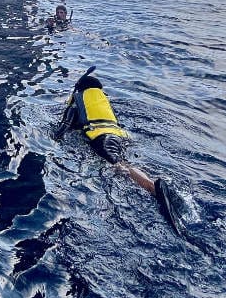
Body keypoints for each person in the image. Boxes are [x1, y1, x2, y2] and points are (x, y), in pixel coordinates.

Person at [53, 67, 186, 236]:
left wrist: (54, 137)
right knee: (123, 163)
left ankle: (153, 187)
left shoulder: (77, 101)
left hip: (102, 137)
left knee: (120, 166)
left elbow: (64, 127)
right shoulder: (102, 101)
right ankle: (154, 185)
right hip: (120, 136)